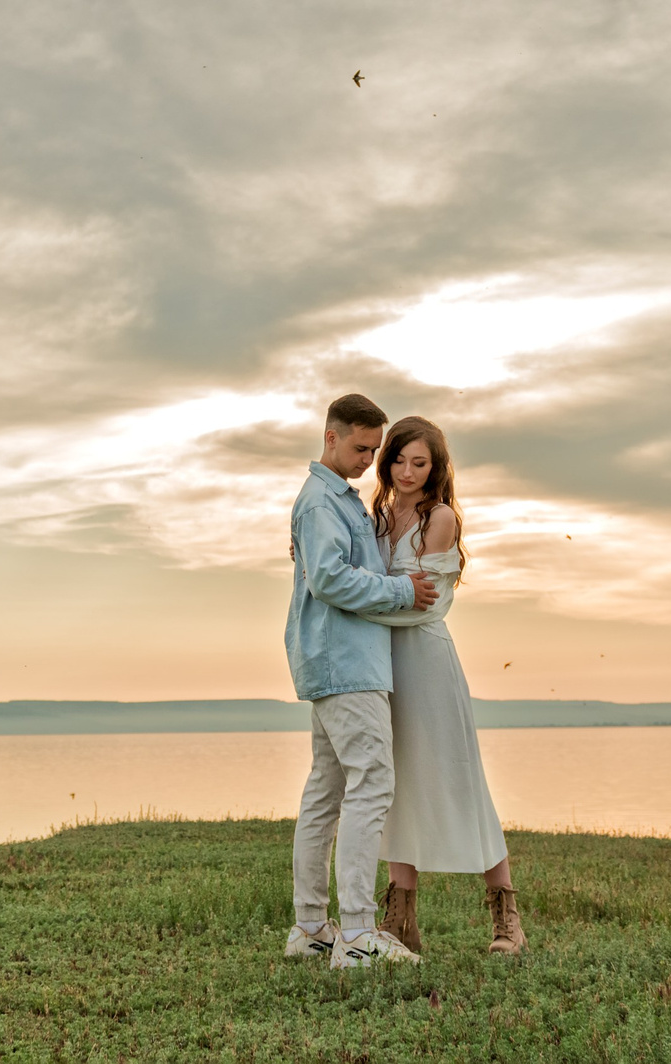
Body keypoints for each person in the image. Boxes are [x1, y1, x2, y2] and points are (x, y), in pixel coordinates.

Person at [282, 392, 439, 969]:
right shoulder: (322, 502)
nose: (370, 460)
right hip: (346, 665)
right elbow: (329, 579)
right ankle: (355, 935)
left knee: (325, 793)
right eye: (361, 447)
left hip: (334, 662)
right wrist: (403, 591)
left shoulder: (333, 501)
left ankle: (310, 927)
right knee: (371, 783)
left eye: (375, 450)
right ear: (331, 437)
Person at [363, 416, 525, 955]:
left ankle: (507, 919)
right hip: (382, 665)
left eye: (419, 462)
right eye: (399, 460)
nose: (407, 472)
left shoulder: (440, 518)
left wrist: (367, 603)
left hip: (428, 664)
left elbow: (429, 603)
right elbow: (372, 582)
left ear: (435, 468)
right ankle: (400, 922)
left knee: (461, 783)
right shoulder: (379, 516)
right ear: (385, 463)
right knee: (395, 786)